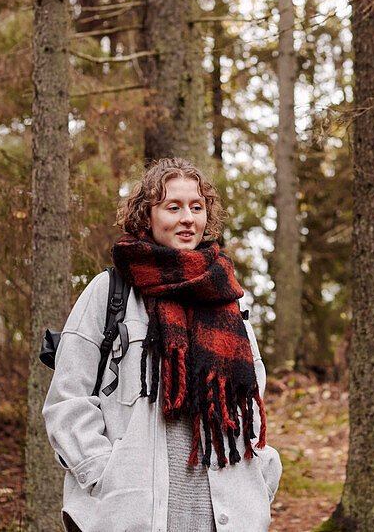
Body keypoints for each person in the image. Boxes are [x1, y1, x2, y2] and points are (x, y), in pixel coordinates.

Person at [43, 158, 282, 532]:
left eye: (197, 207)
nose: (188, 218)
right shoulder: (110, 292)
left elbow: (251, 402)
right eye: (173, 207)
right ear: (146, 216)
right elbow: (67, 399)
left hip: (225, 513)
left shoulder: (228, 298)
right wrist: (104, 474)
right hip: (134, 512)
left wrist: (262, 477)